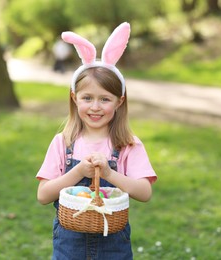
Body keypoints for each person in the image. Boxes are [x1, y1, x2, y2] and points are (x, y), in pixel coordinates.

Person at [36, 22, 157, 260]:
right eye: (87, 98)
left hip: (114, 249)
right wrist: (79, 171)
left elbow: (145, 192)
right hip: (69, 249)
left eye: (105, 99)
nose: (95, 107)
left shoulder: (128, 144)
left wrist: (110, 174)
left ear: (119, 101)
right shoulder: (63, 142)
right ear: (75, 98)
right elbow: (43, 195)